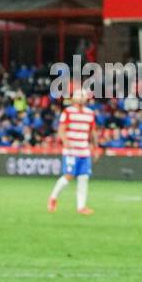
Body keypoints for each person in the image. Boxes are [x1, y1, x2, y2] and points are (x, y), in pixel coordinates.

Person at [47, 88, 97, 216]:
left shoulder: (89, 113)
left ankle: (81, 207)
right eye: (79, 96)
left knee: (84, 178)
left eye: (83, 96)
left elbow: (92, 132)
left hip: (84, 150)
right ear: (74, 98)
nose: (81, 98)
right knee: (69, 175)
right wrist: (65, 141)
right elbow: (61, 129)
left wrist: (95, 147)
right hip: (71, 150)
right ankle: (53, 197)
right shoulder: (68, 112)